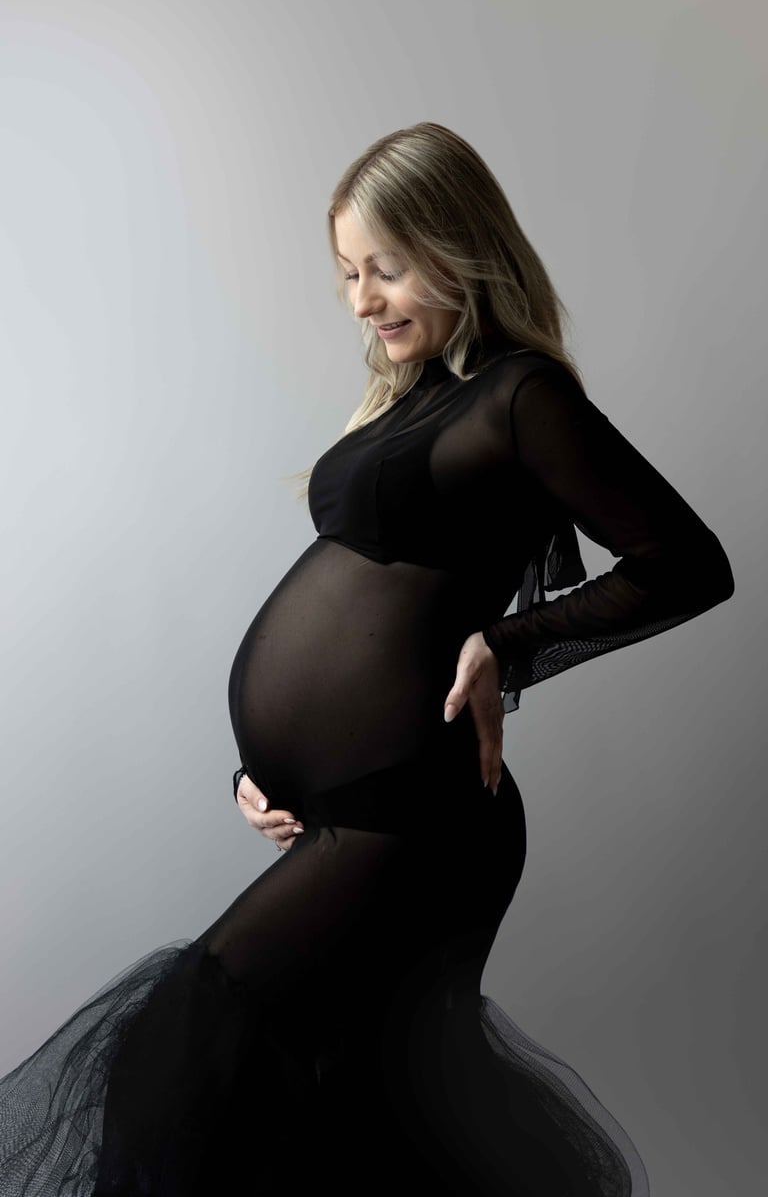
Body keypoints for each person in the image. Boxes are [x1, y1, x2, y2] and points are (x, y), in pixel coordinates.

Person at [0, 121, 734, 1197]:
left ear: (458, 246)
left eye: (385, 267)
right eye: (348, 273)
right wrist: (264, 770)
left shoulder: (521, 394)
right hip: (358, 808)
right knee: (344, 1116)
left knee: (183, 1048)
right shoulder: (420, 392)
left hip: (423, 815)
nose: (361, 299)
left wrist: (506, 644)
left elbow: (688, 563)